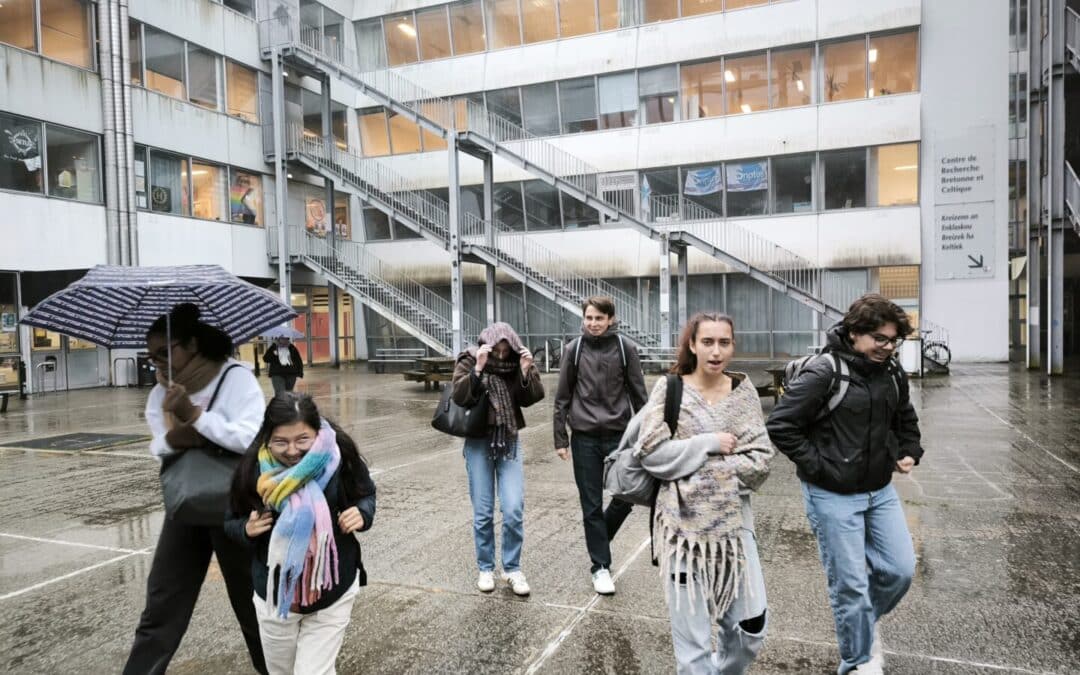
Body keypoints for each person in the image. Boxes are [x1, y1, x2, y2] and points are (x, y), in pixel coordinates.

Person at [766, 294, 923, 675]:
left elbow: (905, 417)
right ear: (855, 333)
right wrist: (820, 467)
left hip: (879, 490)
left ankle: (858, 620)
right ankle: (855, 662)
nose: (887, 347)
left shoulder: (891, 372)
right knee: (850, 587)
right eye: (880, 339)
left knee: (900, 570)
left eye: (893, 340)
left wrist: (909, 450)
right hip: (832, 495)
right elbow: (781, 425)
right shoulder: (825, 372)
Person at [124, 303, 268, 675]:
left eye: (165, 351)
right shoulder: (161, 392)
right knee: (161, 606)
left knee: (251, 605)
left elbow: (251, 438)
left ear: (191, 344)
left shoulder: (234, 377)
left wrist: (196, 418)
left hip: (236, 507)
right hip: (186, 503)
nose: (157, 362)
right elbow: (157, 448)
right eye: (151, 354)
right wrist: (175, 436)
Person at [637, 312, 775, 675]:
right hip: (681, 535)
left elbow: (760, 460)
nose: (716, 351)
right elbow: (651, 452)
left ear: (733, 345)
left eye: (724, 343)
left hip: (734, 532)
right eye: (708, 342)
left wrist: (694, 474)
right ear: (693, 345)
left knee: (751, 629)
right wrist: (708, 444)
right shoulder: (671, 389)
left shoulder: (743, 394)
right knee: (693, 652)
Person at [225, 393, 376, 675]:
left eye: (302, 440)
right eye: (281, 442)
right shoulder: (252, 469)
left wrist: (362, 513)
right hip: (275, 596)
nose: (293, 450)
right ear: (267, 437)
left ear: (316, 432)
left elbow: (366, 494)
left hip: (333, 588)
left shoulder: (338, 457)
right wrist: (246, 528)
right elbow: (229, 520)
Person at [553, 296, 647, 595]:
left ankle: (597, 539)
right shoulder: (574, 349)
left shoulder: (625, 348)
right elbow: (562, 397)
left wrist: (649, 435)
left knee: (627, 496)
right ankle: (600, 567)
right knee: (591, 505)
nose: (593, 324)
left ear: (610, 319)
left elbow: (639, 396)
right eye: (589, 318)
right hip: (584, 438)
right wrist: (560, 438)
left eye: (599, 318)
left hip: (619, 437)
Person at [451, 322, 544, 596]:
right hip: (478, 442)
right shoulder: (470, 358)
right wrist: (478, 369)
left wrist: (526, 372)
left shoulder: (517, 362)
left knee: (514, 508)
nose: (502, 355)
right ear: (488, 344)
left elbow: (531, 398)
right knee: (482, 513)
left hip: (509, 441)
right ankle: (485, 567)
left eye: (507, 349)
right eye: (498, 349)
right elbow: (459, 396)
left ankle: (512, 568)